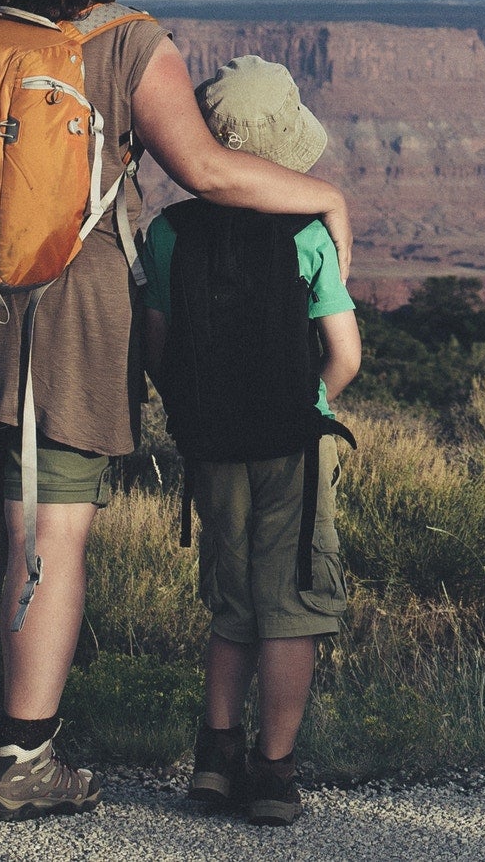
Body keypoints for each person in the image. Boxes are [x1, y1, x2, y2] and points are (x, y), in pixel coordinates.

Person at [0, 0, 353, 821]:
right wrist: (320, 196)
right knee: (49, 531)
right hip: (76, 317)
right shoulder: (128, 40)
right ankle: (24, 759)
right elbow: (206, 172)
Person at [139, 55, 360, 827]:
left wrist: (193, 409)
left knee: (230, 602)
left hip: (212, 442)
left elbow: (156, 344)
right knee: (291, 603)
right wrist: (313, 400)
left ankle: (213, 758)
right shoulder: (306, 233)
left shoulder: (165, 233)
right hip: (293, 441)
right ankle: (271, 771)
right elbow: (346, 352)